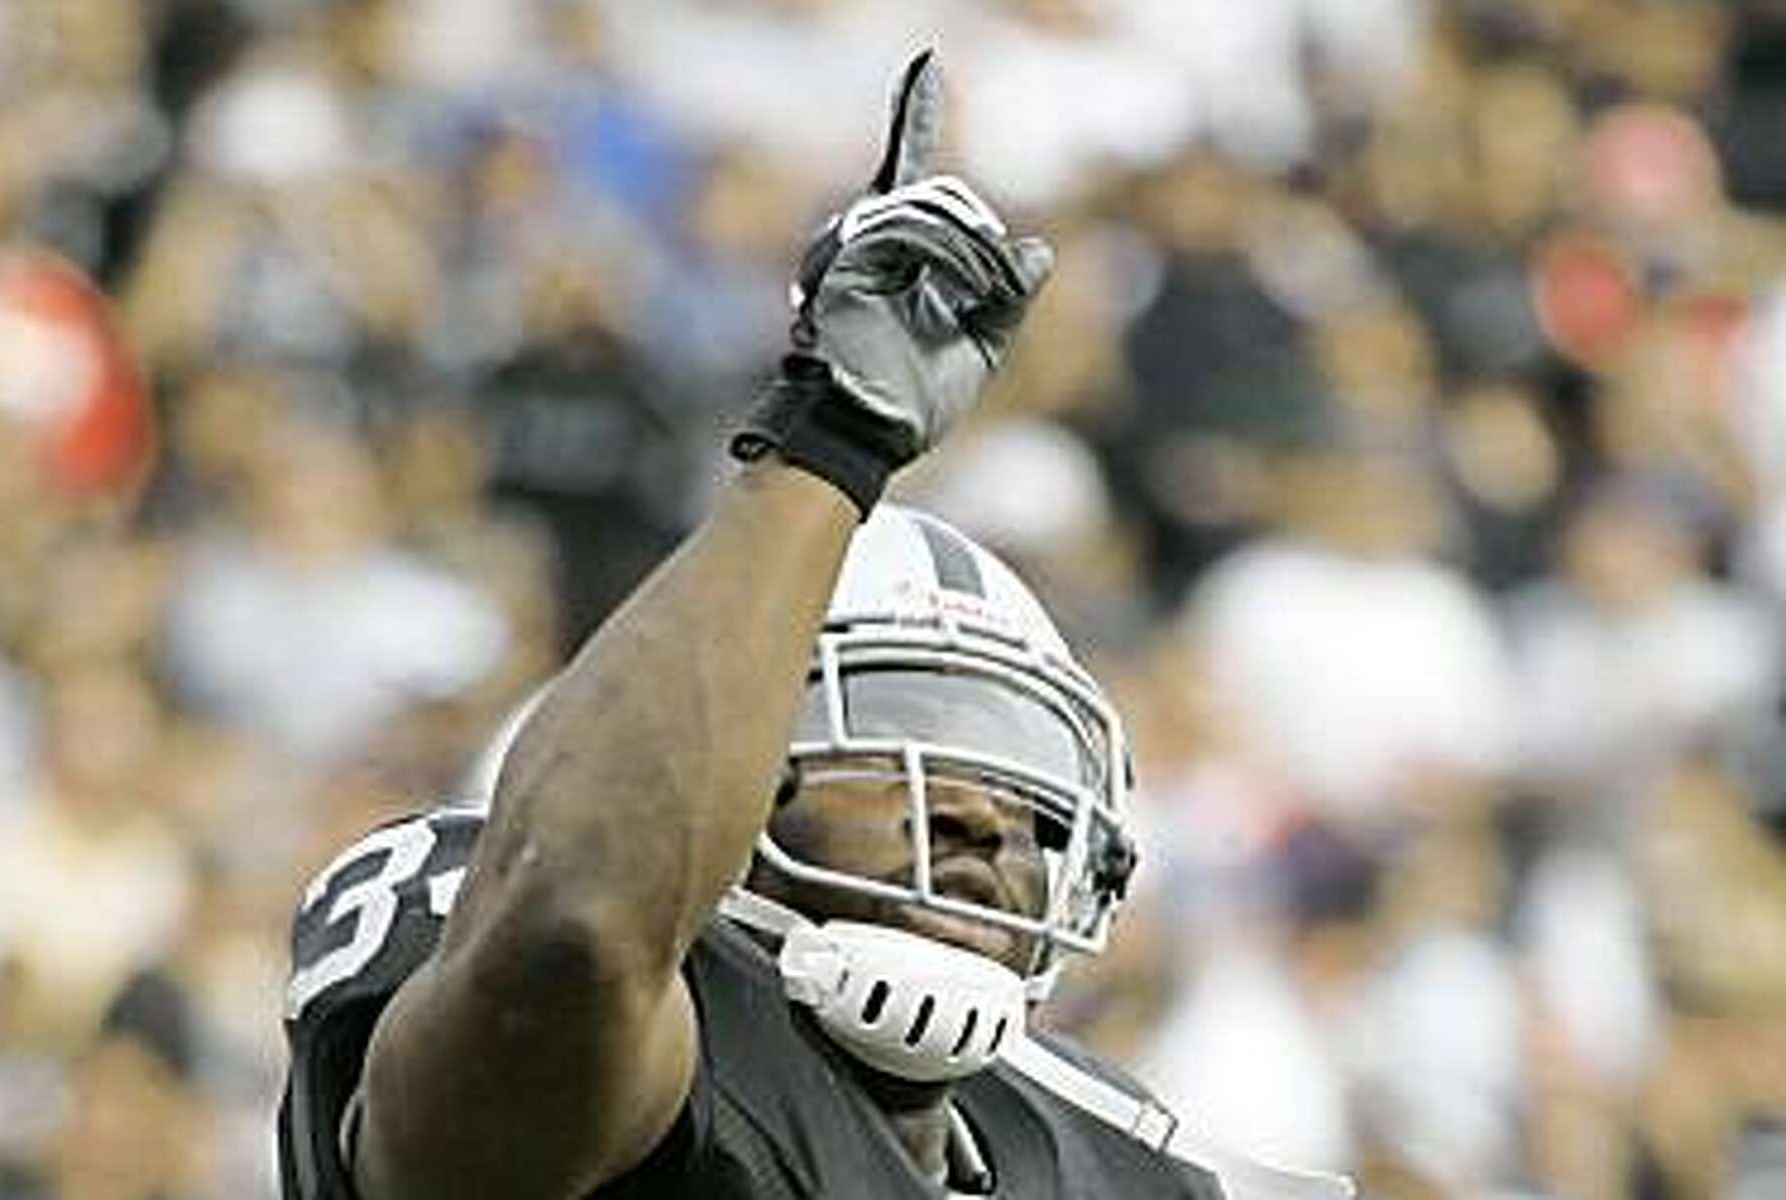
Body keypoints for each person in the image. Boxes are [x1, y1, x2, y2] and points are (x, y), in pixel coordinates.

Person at [276, 53, 1350, 1200]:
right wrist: (832, 439)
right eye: (903, 746)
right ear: (742, 772)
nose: (988, 819)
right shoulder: (625, 1017)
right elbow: (577, 921)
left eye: (1031, 797)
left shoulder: (1103, 1147)